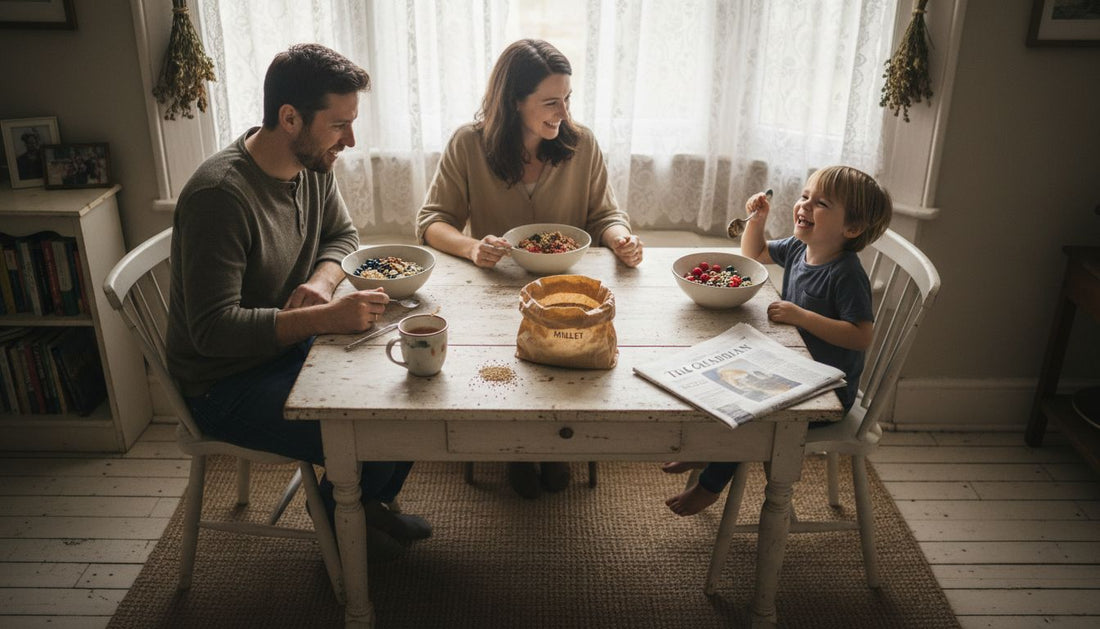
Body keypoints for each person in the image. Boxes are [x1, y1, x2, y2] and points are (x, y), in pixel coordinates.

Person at [166, 43, 429, 560]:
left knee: (410, 392)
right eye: (339, 125)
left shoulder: (312, 165)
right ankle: (342, 514)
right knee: (375, 433)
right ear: (290, 118)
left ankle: (357, 504)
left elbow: (343, 235)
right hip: (223, 385)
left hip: (285, 351)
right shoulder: (219, 197)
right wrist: (321, 318)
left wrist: (324, 284)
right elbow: (212, 331)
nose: (350, 141)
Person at [416, 39, 644, 499]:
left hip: (567, 291)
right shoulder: (468, 143)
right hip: (495, 292)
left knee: (569, 356)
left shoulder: (582, 144)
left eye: (567, 99)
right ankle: (516, 450)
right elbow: (432, 222)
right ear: (514, 100)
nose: (563, 112)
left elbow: (605, 216)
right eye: (551, 102)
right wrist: (472, 248)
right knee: (506, 364)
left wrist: (621, 239)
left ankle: (557, 446)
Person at [663, 165, 892, 516]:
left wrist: (802, 317)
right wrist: (757, 221)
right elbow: (754, 254)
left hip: (827, 392)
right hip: (791, 371)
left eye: (821, 204)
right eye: (805, 196)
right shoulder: (801, 248)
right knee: (724, 379)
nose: (805, 206)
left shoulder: (846, 274)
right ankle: (709, 449)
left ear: (851, 228)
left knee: (751, 414)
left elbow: (861, 336)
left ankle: (709, 486)